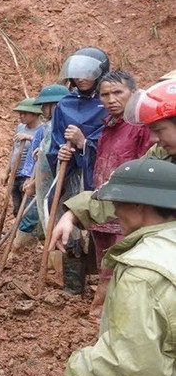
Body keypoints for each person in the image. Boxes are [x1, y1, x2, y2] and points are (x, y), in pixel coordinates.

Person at [60, 158, 176, 376]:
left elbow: (133, 363)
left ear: (139, 205)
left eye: (118, 204)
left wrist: (80, 366)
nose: (115, 213)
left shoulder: (144, 271)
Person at [51, 77, 176, 249]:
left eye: (159, 130)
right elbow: (129, 187)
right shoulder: (161, 154)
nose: (153, 139)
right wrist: (73, 213)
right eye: (105, 94)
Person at [85, 71, 153, 306]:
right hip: (103, 206)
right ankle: (102, 309)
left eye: (117, 92)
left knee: (122, 265)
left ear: (133, 93)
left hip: (128, 211)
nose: (111, 99)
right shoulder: (107, 127)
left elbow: (146, 168)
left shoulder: (141, 128)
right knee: (104, 263)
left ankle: (108, 311)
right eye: (105, 94)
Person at [48, 47, 111, 295]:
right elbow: (55, 141)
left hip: (101, 175)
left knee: (105, 226)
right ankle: (73, 286)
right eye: (77, 74)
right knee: (71, 228)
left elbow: (111, 140)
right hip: (73, 174)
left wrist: (86, 143)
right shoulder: (64, 104)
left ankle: (105, 287)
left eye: (87, 73)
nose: (81, 78)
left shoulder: (107, 102)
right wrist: (60, 153)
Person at [11, 84, 69, 254]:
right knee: (44, 216)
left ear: (56, 105)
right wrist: (33, 180)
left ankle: (20, 248)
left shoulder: (65, 127)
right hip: (46, 183)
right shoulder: (47, 129)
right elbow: (39, 160)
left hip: (63, 184)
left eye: (45, 106)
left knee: (47, 218)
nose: (43, 110)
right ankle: (46, 253)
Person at [5, 98, 43, 215]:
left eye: (25, 113)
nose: (21, 116)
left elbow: (43, 149)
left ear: (35, 114)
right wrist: (7, 171)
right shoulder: (20, 127)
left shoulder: (42, 130)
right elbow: (14, 149)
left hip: (28, 176)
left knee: (26, 210)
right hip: (15, 174)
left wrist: (29, 138)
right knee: (17, 209)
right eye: (20, 113)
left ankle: (25, 232)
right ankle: (16, 232)